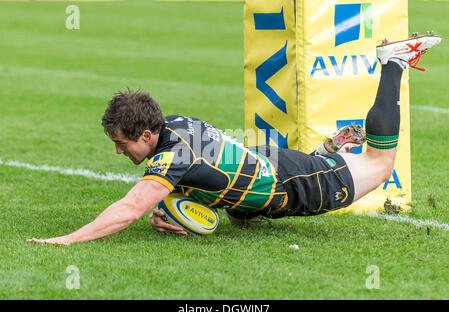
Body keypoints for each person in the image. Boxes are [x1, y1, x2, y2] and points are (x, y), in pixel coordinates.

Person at [27, 33, 441, 245]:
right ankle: (324, 155)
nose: (118, 151)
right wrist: (172, 210)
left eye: (121, 143)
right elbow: (204, 173)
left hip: (290, 181)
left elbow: (128, 209)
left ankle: (393, 64)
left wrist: (67, 239)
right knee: (245, 219)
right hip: (270, 164)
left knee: (378, 163)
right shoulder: (174, 125)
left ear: (147, 134)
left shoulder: (171, 158)